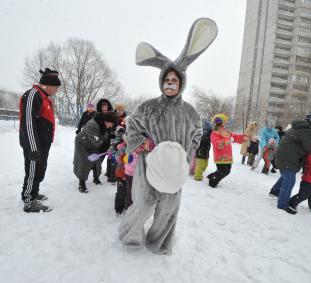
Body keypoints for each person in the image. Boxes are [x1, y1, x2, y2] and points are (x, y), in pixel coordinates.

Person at [119, 18, 217, 255]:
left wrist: (186, 155)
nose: (170, 83)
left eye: (174, 80)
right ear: (161, 82)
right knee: (144, 203)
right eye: (166, 79)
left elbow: (197, 134)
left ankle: (158, 242)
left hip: (174, 168)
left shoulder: (191, 112)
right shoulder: (148, 107)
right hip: (148, 165)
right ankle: (130, 235)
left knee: (170, 207)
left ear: (181, 83)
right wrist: (141, 143)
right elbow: (130, 127)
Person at [19, 68, 60, 213]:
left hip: (42, 143)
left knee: (39, 169)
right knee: (32, 169)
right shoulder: (33, 95)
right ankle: (29, 200)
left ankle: (33, 193)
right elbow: (28, 123)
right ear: (47, 85)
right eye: (55, 87)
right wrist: (33, 147)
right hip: (34, 144)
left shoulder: (43, 97)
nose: (56, 90)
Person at [73, 111, 117, 193]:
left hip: (93, 144)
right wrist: (107, 146)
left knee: (97, 161)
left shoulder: (106, 125)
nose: (111, 125)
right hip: (82, 143)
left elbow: (104, 136)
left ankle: (96, 178)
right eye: (111, 123)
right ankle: (81, 183)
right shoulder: (92, 125)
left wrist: (109, 137)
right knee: (85, 161)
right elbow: (96, 141)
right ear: (106, 121)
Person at [207, 113, 244, 188]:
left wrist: (244, 137)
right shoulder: (214, 132)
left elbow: (234, 136)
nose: (225, 123)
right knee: (223, 171)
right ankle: (212, 181)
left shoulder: (226, 131)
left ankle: (212, 176)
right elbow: (216, 143)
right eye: (224, 121)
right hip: (220, 155)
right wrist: (226, 141)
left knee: (226, 171)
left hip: (228, 155)